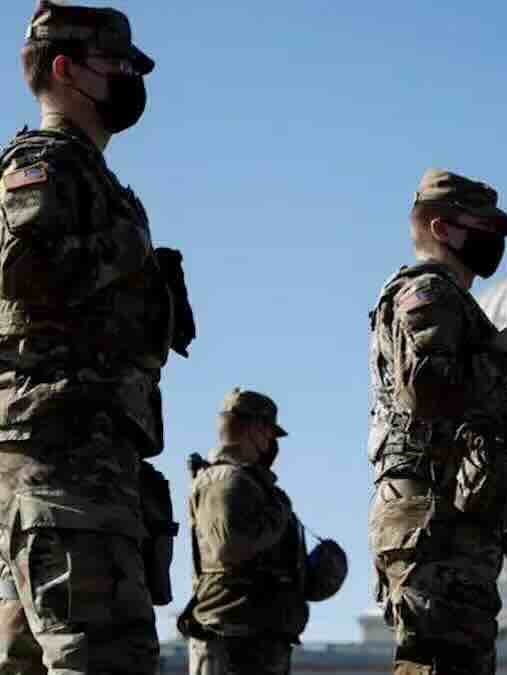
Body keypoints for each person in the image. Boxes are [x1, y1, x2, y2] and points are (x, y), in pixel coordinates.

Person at [0, 2, 193, 672]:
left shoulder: (95, 181)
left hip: (83, 466)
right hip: (62, 465)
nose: (132, 78)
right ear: (64, 69)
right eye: (118, 64)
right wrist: (132, 256)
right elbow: (31, 273)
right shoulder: (43, 169)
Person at [368, 169, 507, 675]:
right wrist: (500, 358)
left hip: (451, 518)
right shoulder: (429, 293)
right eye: (480, 226)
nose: (495, 241)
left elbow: (468, 422)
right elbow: (429, 390)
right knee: (441, 661)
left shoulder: (456, 302)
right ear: (440, 228)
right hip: (432, 519)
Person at [179, 389, 312, 675]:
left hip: (254, 639)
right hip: (232, 641)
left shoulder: (251, 483)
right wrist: (279, 511)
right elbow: (230, 547)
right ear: (254, 429)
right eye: (268, 433)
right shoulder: (225, 480)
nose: (271, 443)